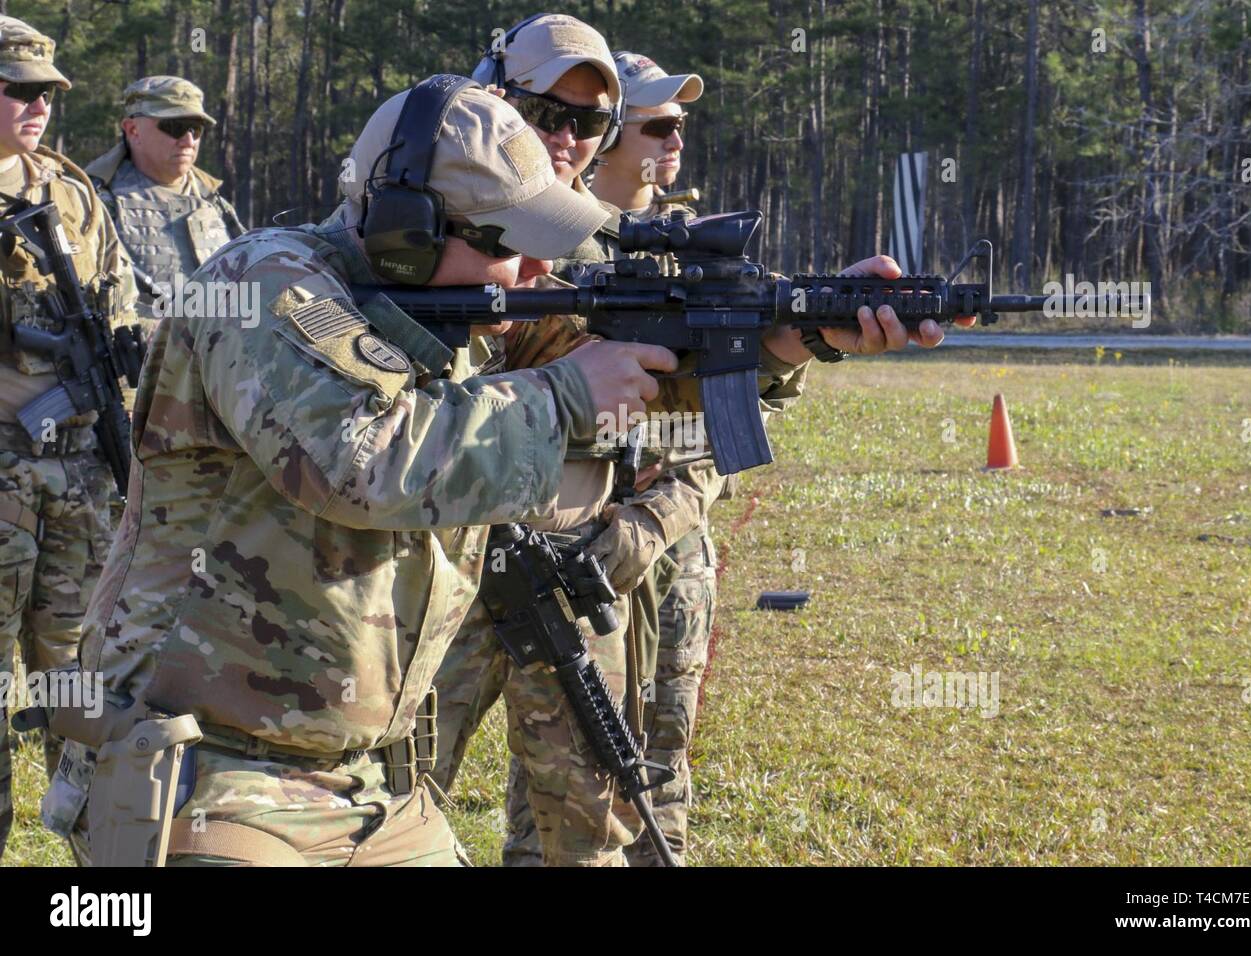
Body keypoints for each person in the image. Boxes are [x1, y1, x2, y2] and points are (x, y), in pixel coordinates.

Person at [60, 77, 676, 866]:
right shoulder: (262, 286)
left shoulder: (447, 305)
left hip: (368, 788)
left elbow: (644, 367)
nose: (525, 272)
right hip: (205, 774)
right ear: (401, 230)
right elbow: (362, 461)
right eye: (498, 241)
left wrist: (790, 339)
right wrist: (563, 397)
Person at [435, 15, 971, 867]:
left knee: (601, 812)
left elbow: (676, 407)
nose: (570, 139)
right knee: (392, 791)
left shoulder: (651, 248)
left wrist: (811, 327)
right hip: (451, 554)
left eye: (591, 123)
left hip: (586, 565)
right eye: (550, 116)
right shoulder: (436, 221)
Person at [0, 15, 137, 860]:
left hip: (79, 471)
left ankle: (92, 852)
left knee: (76, 671)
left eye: (47, 92)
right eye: (19, 89)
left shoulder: (73, 192)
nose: (38, 106)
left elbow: (117, 295)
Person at [591, 50, 716, 866]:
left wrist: (664, 518)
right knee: (576, 787)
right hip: (580, 551)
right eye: (657, 125)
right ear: (607, 135)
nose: (676, 141)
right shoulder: (549, 248)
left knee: (664, 763)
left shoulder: (696, 249)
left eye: (682, 125)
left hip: (673, 543)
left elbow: (721, 430)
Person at [85, 76, 243, 339]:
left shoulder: (213, 202)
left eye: (196, 129)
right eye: (176, 127)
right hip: (141, 369)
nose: (189, 140)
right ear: (133, 130)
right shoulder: (97, 202)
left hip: (218, 364)